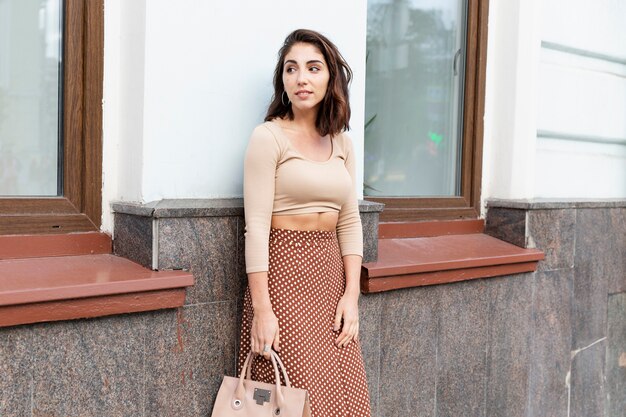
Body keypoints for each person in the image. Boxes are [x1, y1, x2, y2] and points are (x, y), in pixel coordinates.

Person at [237, 29, 372, 417]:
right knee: (297, 394)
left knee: (343, 392)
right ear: (283, 79)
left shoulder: (342, 143)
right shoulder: (269, 137)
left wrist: (351, 295)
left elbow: (349, 221)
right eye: (291, 69)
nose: (301, 78)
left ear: (331, 77)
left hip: (329, 276)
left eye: (313, 68)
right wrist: (263, 309)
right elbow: (257, 226)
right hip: (283, 275)